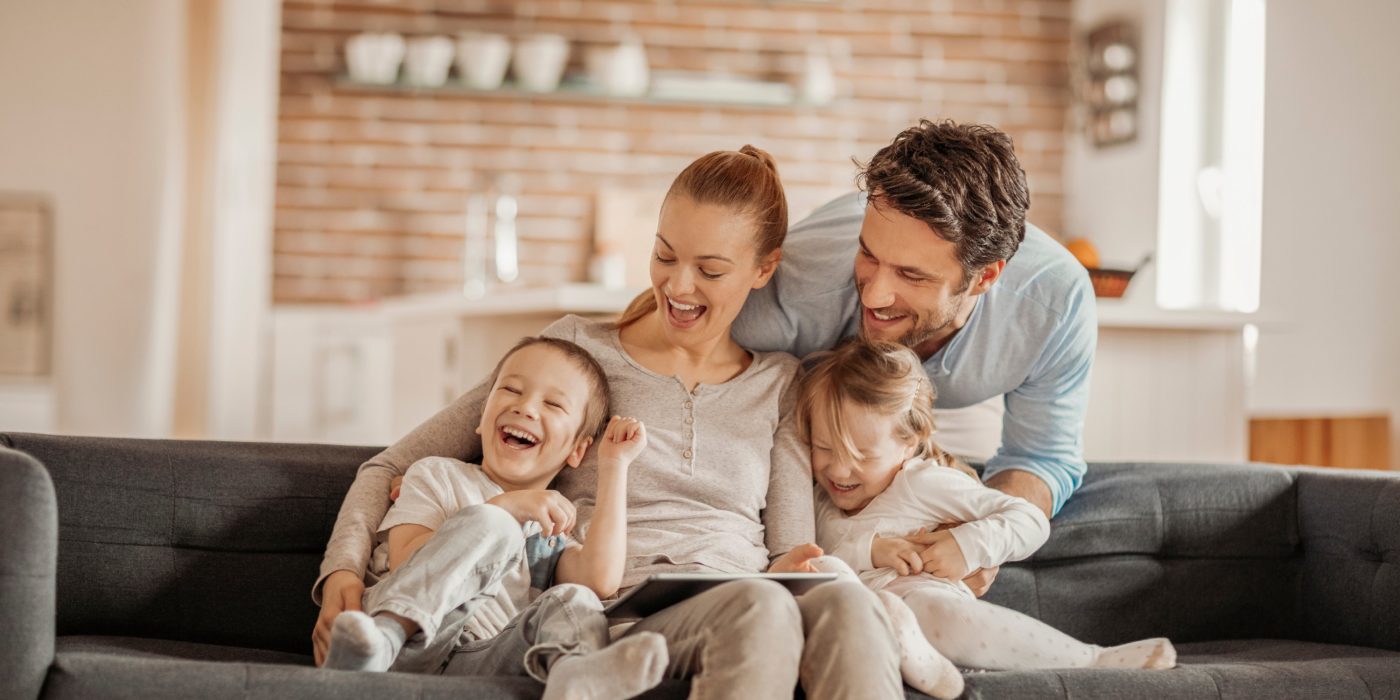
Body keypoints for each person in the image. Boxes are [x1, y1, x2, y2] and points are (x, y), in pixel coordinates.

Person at [312, 145, 905, 698]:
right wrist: (341, 572)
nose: (678, 285)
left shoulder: (780, 382)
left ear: (763, 268)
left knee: (848, 606)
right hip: (613, 617)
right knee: (762, 606)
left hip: (741, 591)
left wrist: (814, 562)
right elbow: (392, 465)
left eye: (710, 270)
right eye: (665, 255)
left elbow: (787, 548)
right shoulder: (571, 353)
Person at [732, 119, 1096, 538]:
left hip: (924, 426)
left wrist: (976, 537)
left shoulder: (1055, 302)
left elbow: (1041, 457)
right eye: (868, 255)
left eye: (911, 274)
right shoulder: (790, 289)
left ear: (984, 278)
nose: (873, 297)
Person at [798, 338, 1175, 699]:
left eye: (863, 455)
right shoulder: (815, 497)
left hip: (922, 603)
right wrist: (873, 550)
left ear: (909, 443)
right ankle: (910, 652)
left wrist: (965, 547)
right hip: (853, 630)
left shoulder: (922, 482)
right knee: (825, 568)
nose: (839, 471)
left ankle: (1093, 658)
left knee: (931, 610)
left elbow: (1027, 518)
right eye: (824, 448)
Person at [322, 336, 669, 700]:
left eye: (552, 403)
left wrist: (615, 466)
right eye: (511, 390)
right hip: (411, 644)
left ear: (577, 450)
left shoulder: (548, 524)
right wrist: (503, 509)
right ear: (481, 417)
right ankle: (381, 642)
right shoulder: (436, 475)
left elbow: (600, 579)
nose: (526, 408)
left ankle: (576, 677)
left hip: (479, 662)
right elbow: (406, 557)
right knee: (495, 525)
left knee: (575, 598)